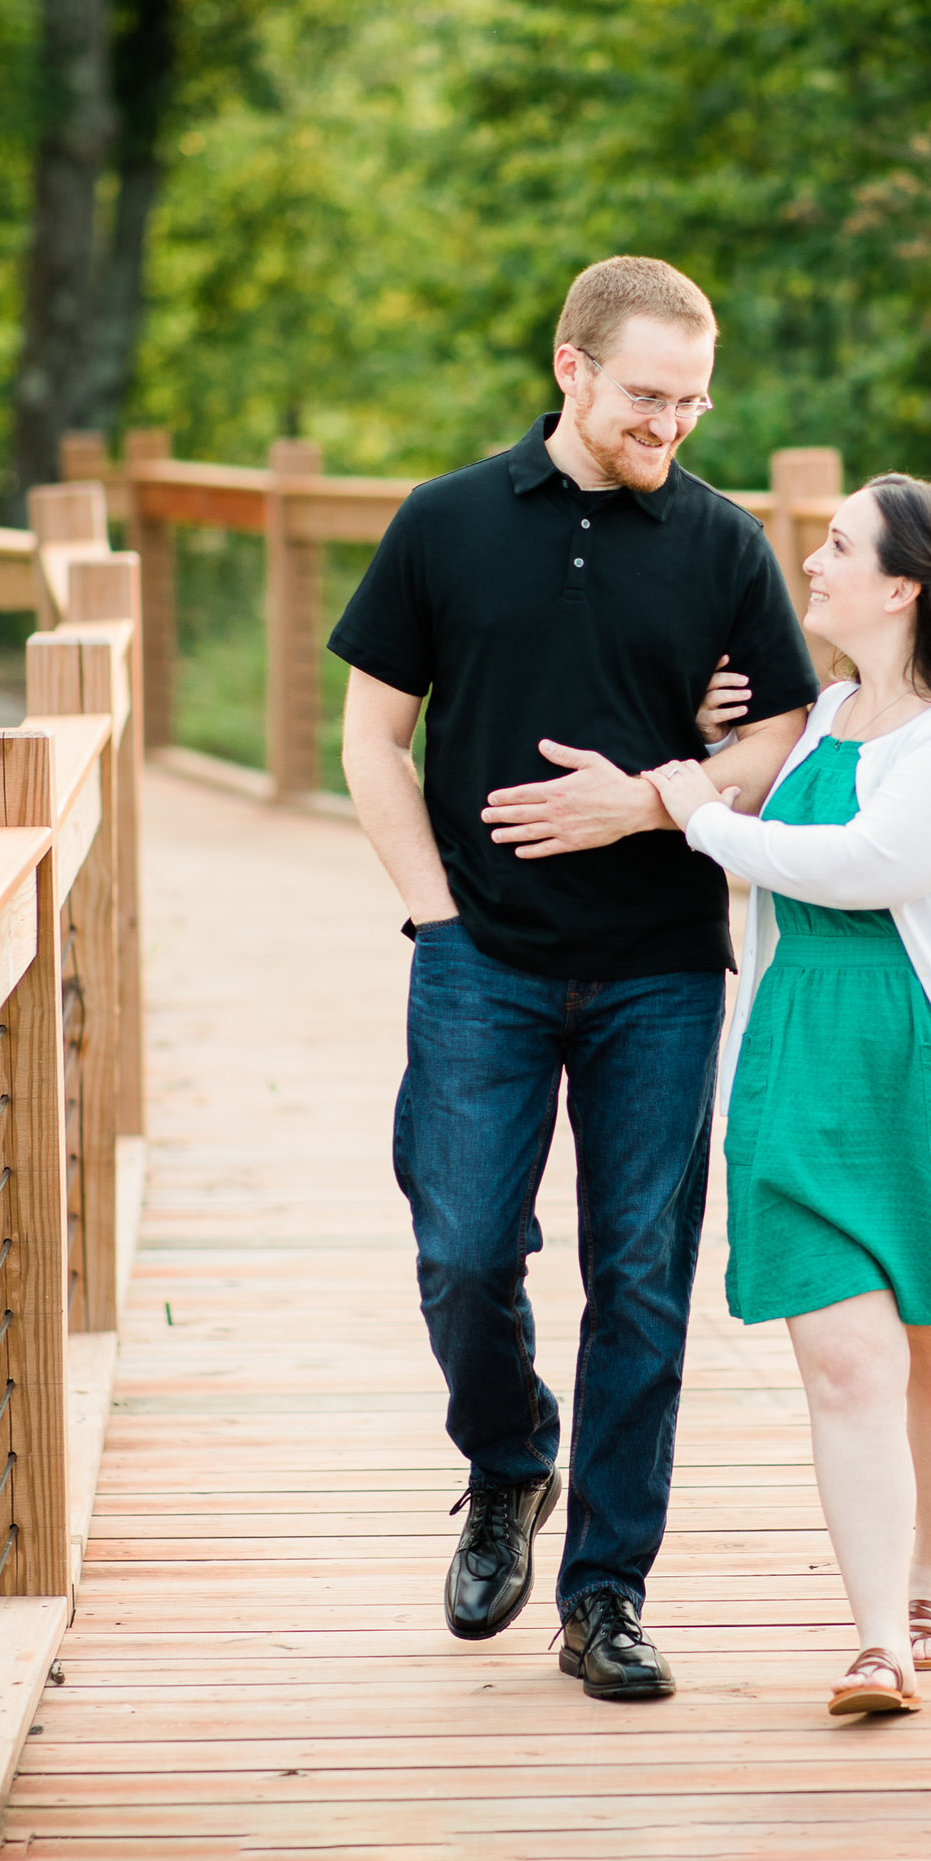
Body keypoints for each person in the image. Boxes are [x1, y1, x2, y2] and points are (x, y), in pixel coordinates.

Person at [329, 256, 819, 1700]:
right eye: (647, 397)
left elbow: (781, 728)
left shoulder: (723, 545)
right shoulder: (446, 524)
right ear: (572, 368)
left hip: (663, 964)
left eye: (695, 401)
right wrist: (435, 917)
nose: (673, 424)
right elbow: (372, 740)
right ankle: (507, 1460)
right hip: (480, 956)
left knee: (643, 1276)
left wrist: (659, 798)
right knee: (464, 1248)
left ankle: (607, 1591)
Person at [645, 474, 931, 1717]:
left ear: (902, 585)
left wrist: (700, 818)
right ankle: (879, 1639)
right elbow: (737, 789)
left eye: (838, 545)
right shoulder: (824, 710)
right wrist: (707, 745)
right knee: (845, 1368)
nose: (813, 559)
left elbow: (869, 868)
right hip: (803, 1072)